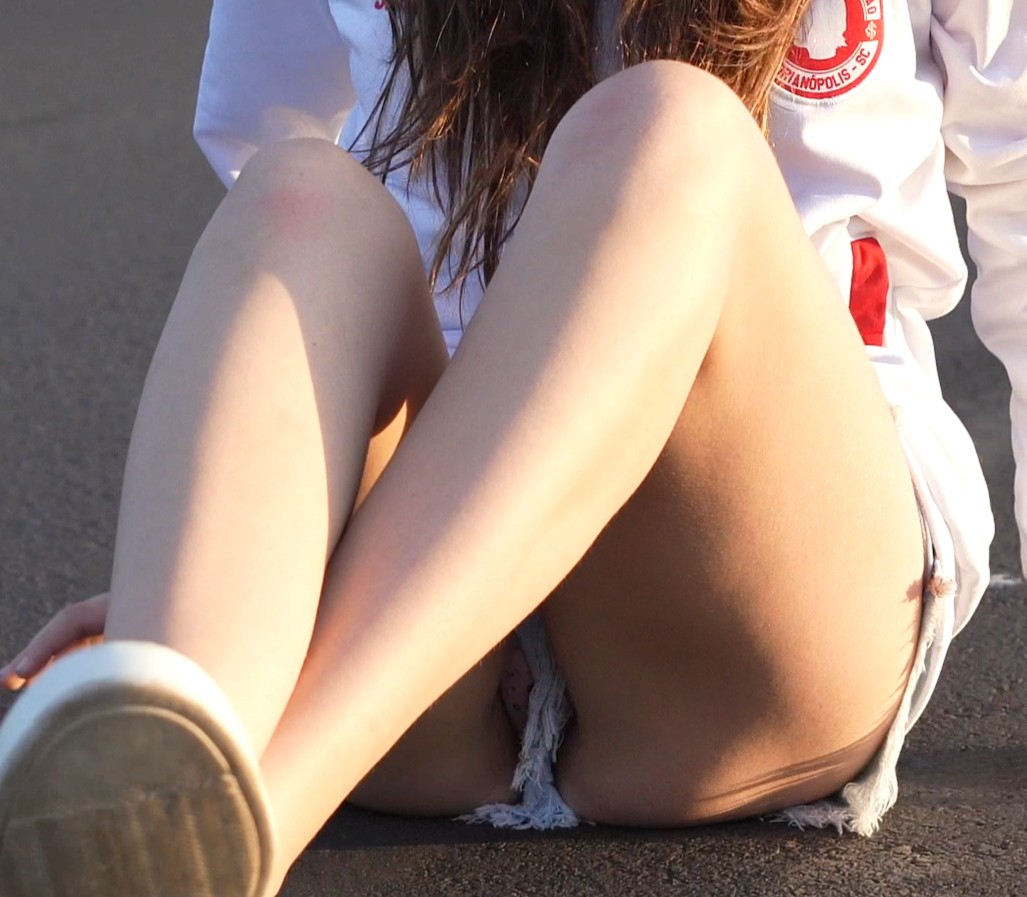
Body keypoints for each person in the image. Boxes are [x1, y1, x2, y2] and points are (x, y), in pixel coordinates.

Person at [0, 0, 1020, 895]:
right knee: (293, 194)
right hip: (414, 613)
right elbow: (263, 127)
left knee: (668, 128)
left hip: (743, 603)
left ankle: (235, 823)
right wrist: (223, 569)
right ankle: (182, 743)